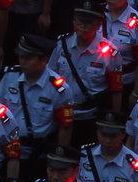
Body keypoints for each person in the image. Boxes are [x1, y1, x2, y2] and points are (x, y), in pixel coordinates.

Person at [0, 34, 75, 177]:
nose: (23, 61)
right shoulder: (10, 77)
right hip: (7, 151)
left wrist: (59, 158)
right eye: (21, 57)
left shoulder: (58, 88)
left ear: (43, 60)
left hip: (37, 154)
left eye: (28, 58)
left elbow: (65, 127)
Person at [48, 2, 123, 146]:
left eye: (89, 21)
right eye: (80, 20)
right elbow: (50, 77)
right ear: (74, 21)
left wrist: (113, 119)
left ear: (98, 24)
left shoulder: (110, 52)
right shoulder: (62, 44)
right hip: (61, 115)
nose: (83, 25)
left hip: (91, 116)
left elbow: (116, 90)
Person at [103, 0, 138, 104]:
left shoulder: (137, 23)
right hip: (95, 83)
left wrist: (136, 93)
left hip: (124, 84)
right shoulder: (97, 14)